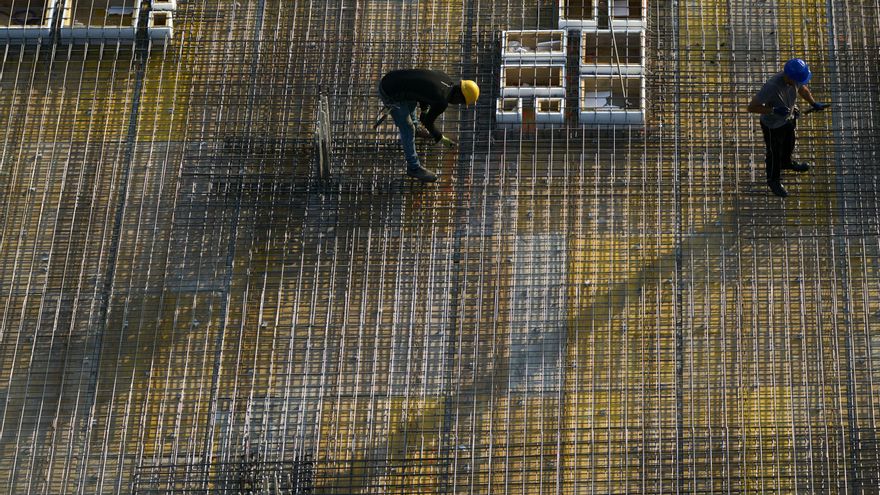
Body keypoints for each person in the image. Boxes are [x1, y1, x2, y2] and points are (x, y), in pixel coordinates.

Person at [377, 69, 480, 182]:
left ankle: (416, 129)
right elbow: (428, 123)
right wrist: (439, 137)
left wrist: (424, 110)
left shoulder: (445, 78)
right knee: (407, 129)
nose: (458, 104)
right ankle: (414, 168)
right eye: (461, 102)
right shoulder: (442, 101)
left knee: (411, 96)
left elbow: (424, 88)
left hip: (391, 79)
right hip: (390, 93)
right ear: (459, 96)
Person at [747, 58, 830, 197]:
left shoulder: (795, 79)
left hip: (788, 119)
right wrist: (773, 111)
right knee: (774, 153)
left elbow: (803, 89)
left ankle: (786, 162)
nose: (800, 83)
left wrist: (813, 103)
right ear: (789, 76)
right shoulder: (772, 86)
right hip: (772, 125)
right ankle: (773, 180)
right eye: (798, 80)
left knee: (789, 143)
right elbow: (751, 107)